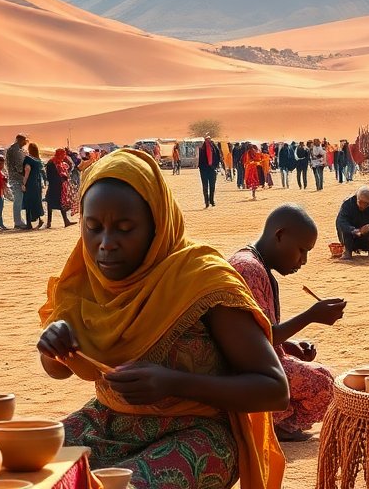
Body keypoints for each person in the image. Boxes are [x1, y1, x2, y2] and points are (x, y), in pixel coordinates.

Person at [37, 149, 289, 489]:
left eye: (125, 228)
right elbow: (58, 369)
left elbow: (273, 389)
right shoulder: (83, 279)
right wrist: (54, 348)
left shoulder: (202, 281)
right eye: (93, 228)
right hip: (107, 423)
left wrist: (173, 382)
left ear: (157, 224)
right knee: (16, 469)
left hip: (198, 433)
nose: (105, 244)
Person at [229, 204, 346, 442]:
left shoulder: (257, 265)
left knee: (325, 376)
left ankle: (278, 418)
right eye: (301, 250)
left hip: (256, 363)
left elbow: (258, 332)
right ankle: (276, 422)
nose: (303, 261)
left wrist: (290, 345)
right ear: (280, 235)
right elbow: (255, 341)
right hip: (243, 369)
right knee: (329, 388)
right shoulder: (248, 269)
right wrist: (310, 316)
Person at [335, 186, 369, 258]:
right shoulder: (348, 204)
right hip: (350, 236)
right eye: (360, 202)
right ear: (357, 198)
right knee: (345, 229)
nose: (362, 206)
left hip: (366, 236)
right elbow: (341, 222)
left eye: (366, 203)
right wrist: (355, 230)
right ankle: (347, 251)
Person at [46, 148, 75, 227]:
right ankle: (49, 222)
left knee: (60, 203)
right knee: (51, 203)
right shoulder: (52, 163)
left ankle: (65, 221)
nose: (64, 156)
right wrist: (60, 179)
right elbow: (50, 176)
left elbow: (68, 169)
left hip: (60, 186)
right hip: (54, 186)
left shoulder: (60, 162)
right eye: (63, 154)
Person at [21, 142, 46, 230]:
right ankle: (39, 219)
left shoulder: (28, 159)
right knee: (36, 202)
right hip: (37, 184)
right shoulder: (38, 160)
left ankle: (29, 224)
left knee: (28, 203)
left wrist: (23, 183)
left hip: (30, 184)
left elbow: (27, 170)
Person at [7, 134, 29, 229]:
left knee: (19, 201)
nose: (25, 143)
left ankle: (19, 220)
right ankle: (18, 222)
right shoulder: (15, 151)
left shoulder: (13, 149)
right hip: (16, 178)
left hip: (14, 178)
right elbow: (19, 166)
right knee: (18, 201)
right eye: (24, 141)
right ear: (20, 140)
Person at [198, 135, 224, 208]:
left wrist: (216, 166)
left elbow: (218, 157)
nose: (208, 141)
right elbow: (199, 160)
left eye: (209, 140)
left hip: (212, 169)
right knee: (205, 187)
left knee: (212, 186)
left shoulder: (214, 148)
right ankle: (207, 202)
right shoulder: (202, 149)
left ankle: (211, 201)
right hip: (204, 170)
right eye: (207, 140)